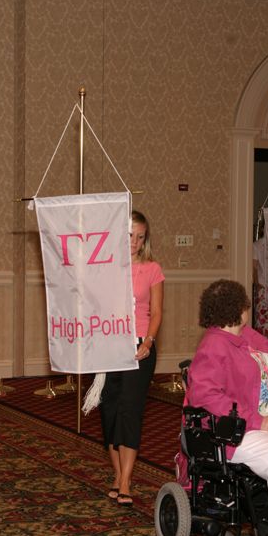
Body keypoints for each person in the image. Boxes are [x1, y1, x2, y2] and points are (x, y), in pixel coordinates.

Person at [187, 279, 268, 536]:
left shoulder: (244, 334)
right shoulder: (213, 346)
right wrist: (256, 419)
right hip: (236, 431)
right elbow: (204, 395)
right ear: (239, 308)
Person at [100, 210, 164, 506]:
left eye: (140, 236)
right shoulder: (105, 266)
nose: (135, 242)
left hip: (139, 347)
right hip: (108, 345)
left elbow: (157, 312)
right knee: (110, 412)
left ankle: (126, 480)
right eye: (130, 236)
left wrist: (149, 341)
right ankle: (117, 474)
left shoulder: (152, 269)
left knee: (129, 412)